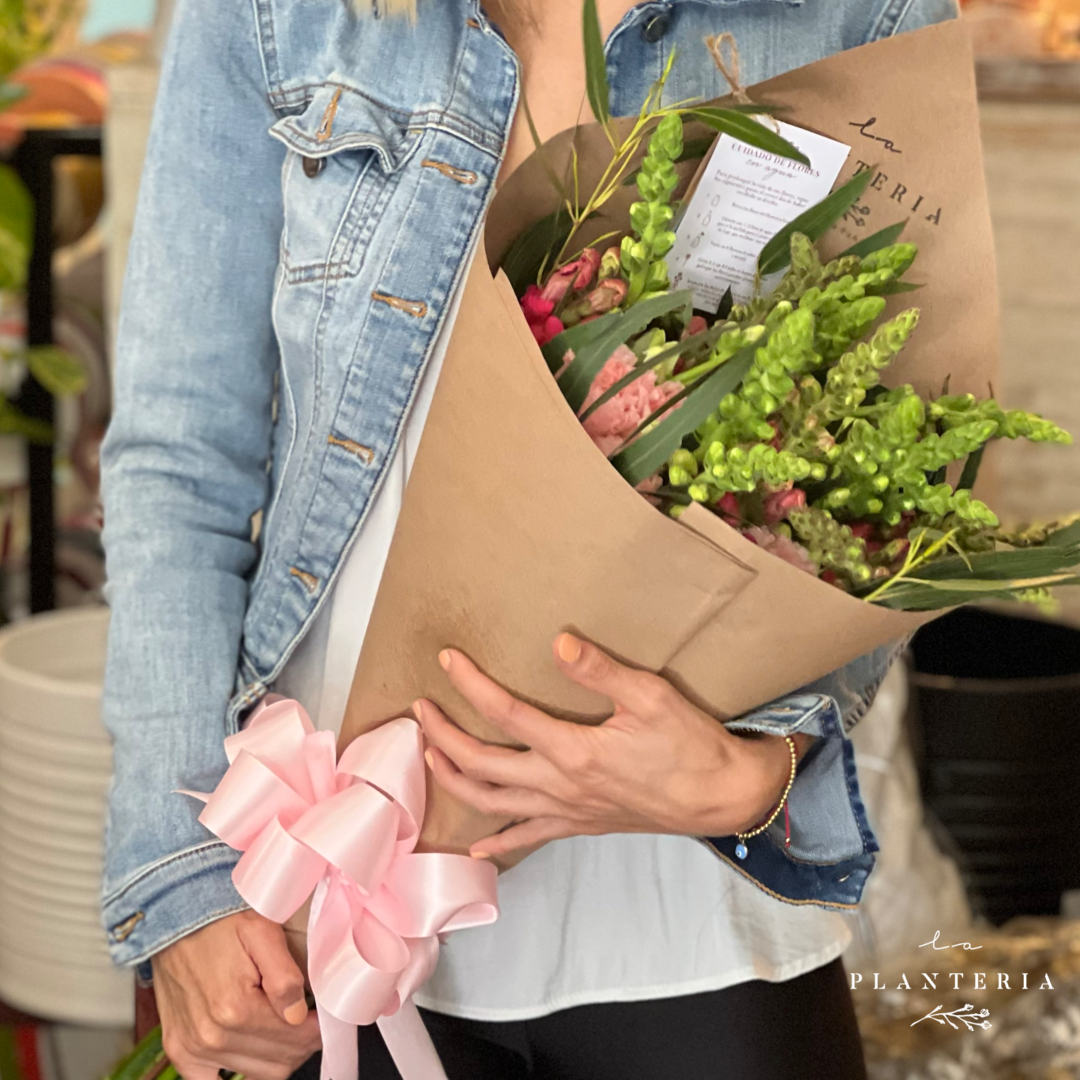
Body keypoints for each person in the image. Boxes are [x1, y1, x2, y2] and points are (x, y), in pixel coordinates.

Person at [99, 0, 957, 1078]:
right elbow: (182, 460)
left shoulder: (856, 12)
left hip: (687, 915)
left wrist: (753, 777)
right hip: (328, 897)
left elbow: (887, 474)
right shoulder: (283, 15)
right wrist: (178, 879)